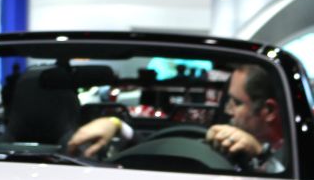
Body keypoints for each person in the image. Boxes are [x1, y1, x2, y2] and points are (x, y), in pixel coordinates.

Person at [67, 63, 285, 172]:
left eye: (236, 103)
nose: (228, 111)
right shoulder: (226, 139)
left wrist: (258, 152)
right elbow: (156, 149)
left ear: (268, 111)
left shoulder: (294, 156)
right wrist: (115, 124)